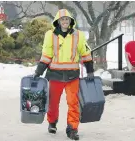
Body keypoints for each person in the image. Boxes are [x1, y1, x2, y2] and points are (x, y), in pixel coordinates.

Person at [33, 9, 94, 140]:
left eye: (67, 19)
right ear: (58, 22)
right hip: (55, 75)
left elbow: (85, 53)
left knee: (73, 103)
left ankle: (72, 128)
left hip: (72, 76)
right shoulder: (50, 35)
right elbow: (46, 55)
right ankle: (52, 122)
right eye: (62, 20)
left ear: (71, 21)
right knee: (53, 103)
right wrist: (38, 71)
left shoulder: (78, 35)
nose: (65, 22)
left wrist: (90, 70)